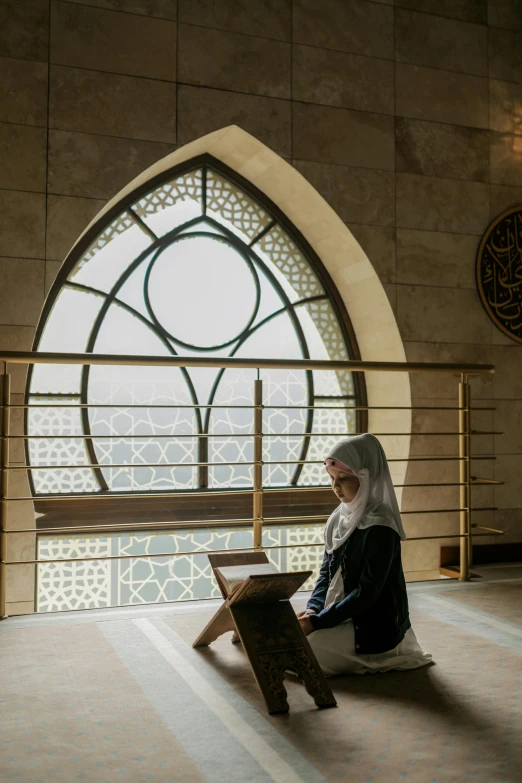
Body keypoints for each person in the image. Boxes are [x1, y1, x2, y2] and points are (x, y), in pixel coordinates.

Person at [297, 433, 432, 676]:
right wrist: (314, 609)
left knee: (306, 656)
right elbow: (327, 573)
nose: (336, 486)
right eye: (332, 478)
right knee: (292, 641)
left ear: (366, 477)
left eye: (344, 478)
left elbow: (367, 593)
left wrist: (318, 623)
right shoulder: (339, 519)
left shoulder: (380, 527)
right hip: (341, 613)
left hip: (372, 625)